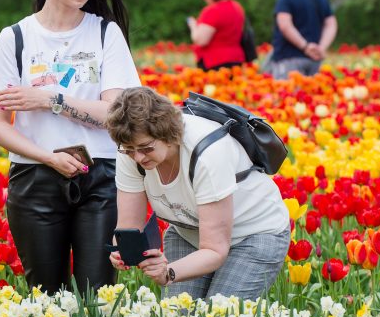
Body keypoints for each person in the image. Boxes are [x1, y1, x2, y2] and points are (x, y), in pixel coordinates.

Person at [0, 0, 140, 295]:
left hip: (99, 176)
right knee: (45, 293)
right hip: (35, 177)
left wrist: (51, 99)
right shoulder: (16, 38)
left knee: (96, 294)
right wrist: (48, 158)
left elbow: (115, 112)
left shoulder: (104, 34)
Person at [107, 87, 290, 300]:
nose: (138, 157)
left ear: (167, 134)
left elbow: (214, 250)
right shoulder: (130, 150)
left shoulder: (207, 151)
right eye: (129, 149)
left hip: (253, 233)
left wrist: (168, 273)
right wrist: (121, 249)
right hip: (187, 231)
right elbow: (129, 226)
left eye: (146, 148)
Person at [269, 0, 337, 80]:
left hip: (289, 58)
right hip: (315, 60)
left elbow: (285, 25)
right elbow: (331, 24)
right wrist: (321, 48)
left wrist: (305, 46)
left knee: (288, 97)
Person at [187, 0, 246, 70]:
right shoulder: (237, 7)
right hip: (236, 59)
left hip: (215, 61)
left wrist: (192, 25)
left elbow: (201, 40)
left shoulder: (213, 11)